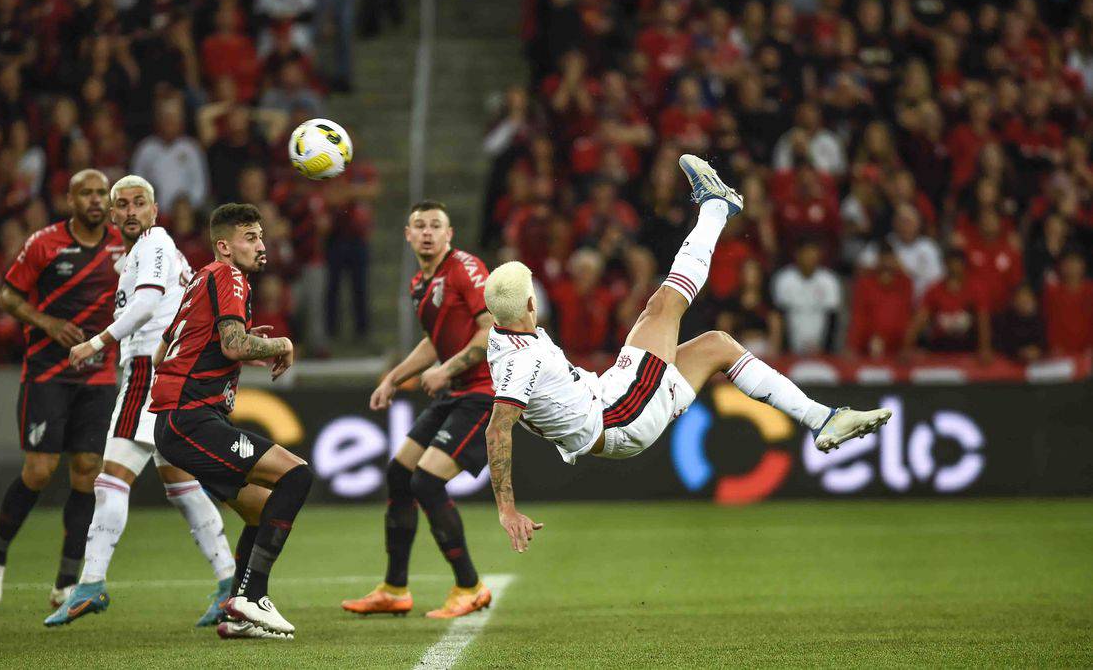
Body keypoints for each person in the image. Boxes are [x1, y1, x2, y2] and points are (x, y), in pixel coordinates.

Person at [482, 156, 891, 552]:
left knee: (717, 345)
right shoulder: (522, 359)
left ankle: (824, 419)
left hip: (609, 400)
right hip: (618, 414)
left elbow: (488, 367)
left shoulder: (501, 333)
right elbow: (499, 427)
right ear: (532, 306)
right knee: (664, 304)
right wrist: (507, 510)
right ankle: (717, 206)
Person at [44, 176, 236, 628]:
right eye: (122, 205)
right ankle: (229, 582)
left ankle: (90, 583)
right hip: (170, 373)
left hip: (151, 375)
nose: (131, 211)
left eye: (140, 203)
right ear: (112, 215)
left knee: (110, 479)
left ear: (154, 210)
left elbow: (149, 302)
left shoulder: (153, 244)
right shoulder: (149, 252)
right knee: (181, 485)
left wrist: (95, 344)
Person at [150, 203, 309, 640]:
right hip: (192, 419)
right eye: (250, 238)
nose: (261, 245)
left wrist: (241, 346)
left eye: (261, 236)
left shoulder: (201, 278)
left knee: (261, 512)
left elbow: (164, 353)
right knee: (296, 476)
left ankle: (237, 616)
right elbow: (234, 345)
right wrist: (280, 342)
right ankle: (251, 596)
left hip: (179, 422)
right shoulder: (228, 275)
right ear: (224, 246)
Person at [0, 170, 124, 607]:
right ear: (70, 199)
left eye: (102, 193)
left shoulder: (123, 245)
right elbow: (7, 297)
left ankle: (64, 581)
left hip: (98, 376)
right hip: (47, 374)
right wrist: (47, 323)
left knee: (86, 470)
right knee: (39, 471)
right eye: (87, 193)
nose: (96, 200)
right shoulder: (44, 242)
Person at [342, 200, 495, 619]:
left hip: (482, 392)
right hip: (454, 393)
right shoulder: (419, 283)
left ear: (450, 235)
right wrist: (394, 377)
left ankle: (470, 586)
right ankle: (394, 588)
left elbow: (490, 331)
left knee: (426, 482)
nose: (427, 232)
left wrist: (446, 370)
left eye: (435, 226)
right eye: (419, 226)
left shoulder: (464, 268)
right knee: (400, 474)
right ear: (408, 236)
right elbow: (434, 341)